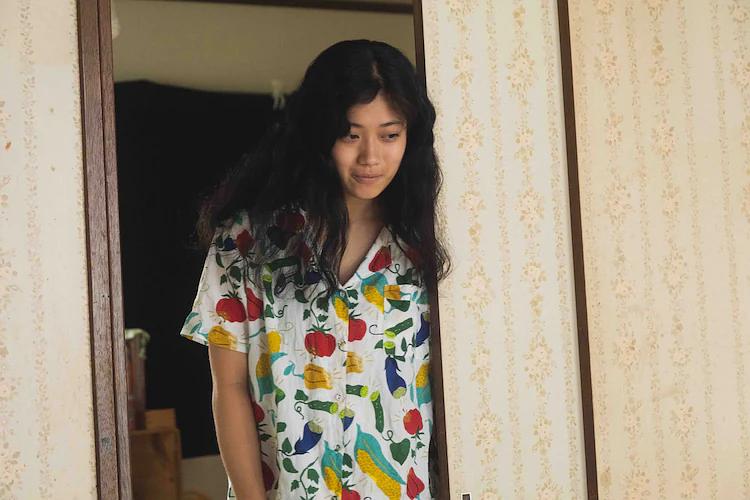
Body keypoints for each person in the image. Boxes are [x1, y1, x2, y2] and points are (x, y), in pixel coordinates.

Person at [179, 39, 449, 500]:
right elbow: (230, 388)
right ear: (319, 133)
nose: (371, 157)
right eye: (350, 135)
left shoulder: (426, 243)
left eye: (389, 135)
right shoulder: (246, 241)